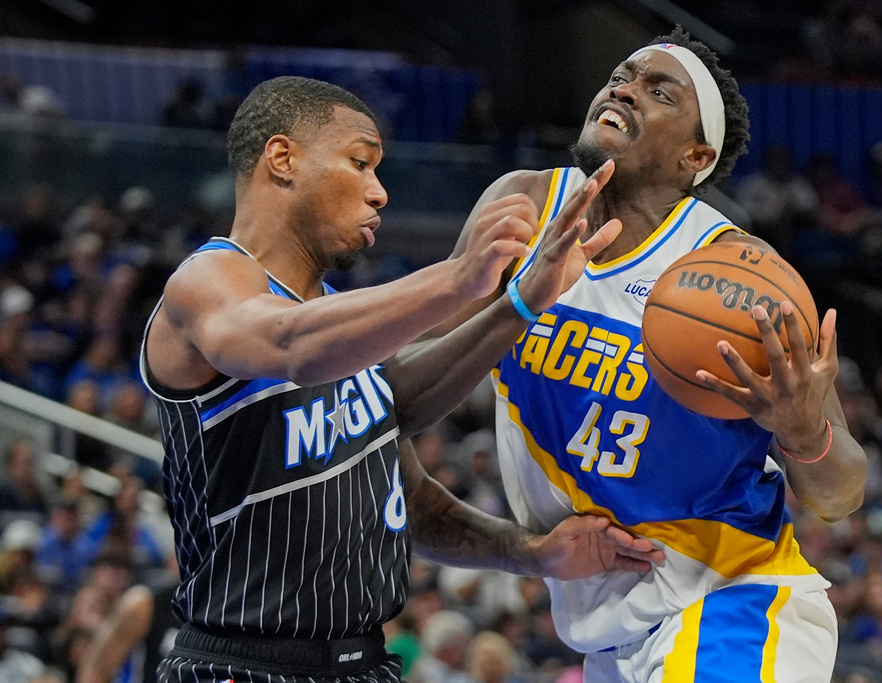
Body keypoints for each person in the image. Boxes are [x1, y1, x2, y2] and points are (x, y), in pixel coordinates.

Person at [140, 76, 663, 683]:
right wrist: (460, 278)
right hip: (243, 664)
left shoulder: (344, 327)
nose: (379, 192)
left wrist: (529, 553)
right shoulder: (208, 281)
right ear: (281, 159)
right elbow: (286, 343)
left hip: (366, 663)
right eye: (359, 163)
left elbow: (411, 502)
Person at [444, 28, 868, 682]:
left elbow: (842, 492)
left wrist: (805, 430)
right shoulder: (524, 205)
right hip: (606, 632)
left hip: (730, 601)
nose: (625, 88)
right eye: (623, 74)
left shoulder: (741, 276)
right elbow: (415, 373)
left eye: (658, 90)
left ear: (695, 155)